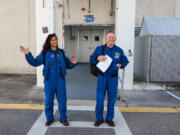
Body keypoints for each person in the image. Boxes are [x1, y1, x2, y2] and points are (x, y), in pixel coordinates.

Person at [20, 33, 77, 126]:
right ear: (49, 42)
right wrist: (28, 54)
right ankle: (50, 118)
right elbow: (35, 62)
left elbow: (68, 65)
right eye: (52, 40)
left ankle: (63, 118)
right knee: (49, 100)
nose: (55, 41)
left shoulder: (61, 53)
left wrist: (73, 63)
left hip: (60, 80)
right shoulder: (45, 53)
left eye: (55, 39)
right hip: (49, 81)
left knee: (62, 100)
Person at [90, 31, 129, 127]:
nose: (111, 39)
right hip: (102, 77)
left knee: (112, 99)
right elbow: (91, 58)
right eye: (109, 37)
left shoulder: (119, 50)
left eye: (113, 37)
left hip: (113, 79)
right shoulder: (99, 49)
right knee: (100, 98)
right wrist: (98, 58)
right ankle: (99, 118)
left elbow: (125, 61)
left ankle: (109, 118)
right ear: (106, 39)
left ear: (115, 39)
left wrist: (120, 64)